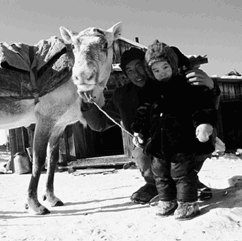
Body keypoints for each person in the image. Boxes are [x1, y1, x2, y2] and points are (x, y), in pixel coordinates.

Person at [81, 46, 220, 205]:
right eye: (130, 70)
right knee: (141, 153)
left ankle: (188, 181)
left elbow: (205, 105)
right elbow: (99, 124)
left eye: (139, 67)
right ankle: (155, 185)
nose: (137, 74)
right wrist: (87, 104)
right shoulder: (123, 96)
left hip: (183, 142)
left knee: (200, 140)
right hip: (152, 147)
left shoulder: (172, 83)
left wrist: (211, 86)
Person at [131, 40, 217, 220]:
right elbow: (143, 112)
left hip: (182, 142)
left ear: (173, 65)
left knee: (182, 173)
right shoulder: (151, 90)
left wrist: (204, 123)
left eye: (165, 67)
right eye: (156, 70)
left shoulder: (186, 85)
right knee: (160, 174)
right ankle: (167, 200)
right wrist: (138, 130)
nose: (161, 73)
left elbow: (202, 105)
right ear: (151, 72)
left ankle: (188, 202)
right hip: (157, 144)